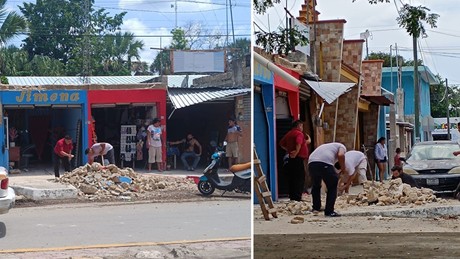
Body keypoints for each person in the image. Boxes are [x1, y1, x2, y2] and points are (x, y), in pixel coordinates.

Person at [308, 142, 347, 217]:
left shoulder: (327, 146)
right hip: (324, 163)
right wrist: (343, 168)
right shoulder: (342, 146)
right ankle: (329, 211)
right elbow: (341, 155)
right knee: (332, 185)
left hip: (311, 163)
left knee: (316, 185)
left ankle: (316, 207)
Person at [279, 120, 311, 201]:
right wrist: (296, 152)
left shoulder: (289, 133)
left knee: (292, 177)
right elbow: (298, 143)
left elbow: (281, 143)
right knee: (299, 177)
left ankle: (293, 196)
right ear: (298, 126)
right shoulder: (299, 133)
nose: (302, 128)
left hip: (291, 159)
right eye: (301, 126)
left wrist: (289, 150)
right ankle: (297, 197)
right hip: (298, 158)